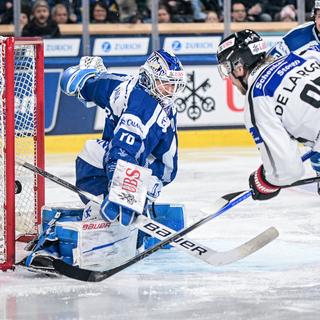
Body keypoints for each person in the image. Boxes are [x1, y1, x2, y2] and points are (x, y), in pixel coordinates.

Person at [22, 50, 186, 272]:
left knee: (97, 155)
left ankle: (118, 218)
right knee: (94, 153)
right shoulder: (117, 86)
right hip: (129, 164)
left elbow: (125, 152)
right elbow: (74, 82)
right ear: (147, 78)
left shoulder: (142, 103)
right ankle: (102, 211)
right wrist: (83, 77)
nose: (170, 91)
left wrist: (125, 191)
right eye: (165, 83)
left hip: (151, 173)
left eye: (174, 85)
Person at [216, 29, 320, 201]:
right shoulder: (303, 56)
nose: (229, 79)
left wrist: (264, 180)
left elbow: (287, 171)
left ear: (239, 68)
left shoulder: (258, 96)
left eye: (227, 69)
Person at [268, 0, 320, 193]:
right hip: (307, 97)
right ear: (314, 16)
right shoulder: (297, 38)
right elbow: (269, 66)